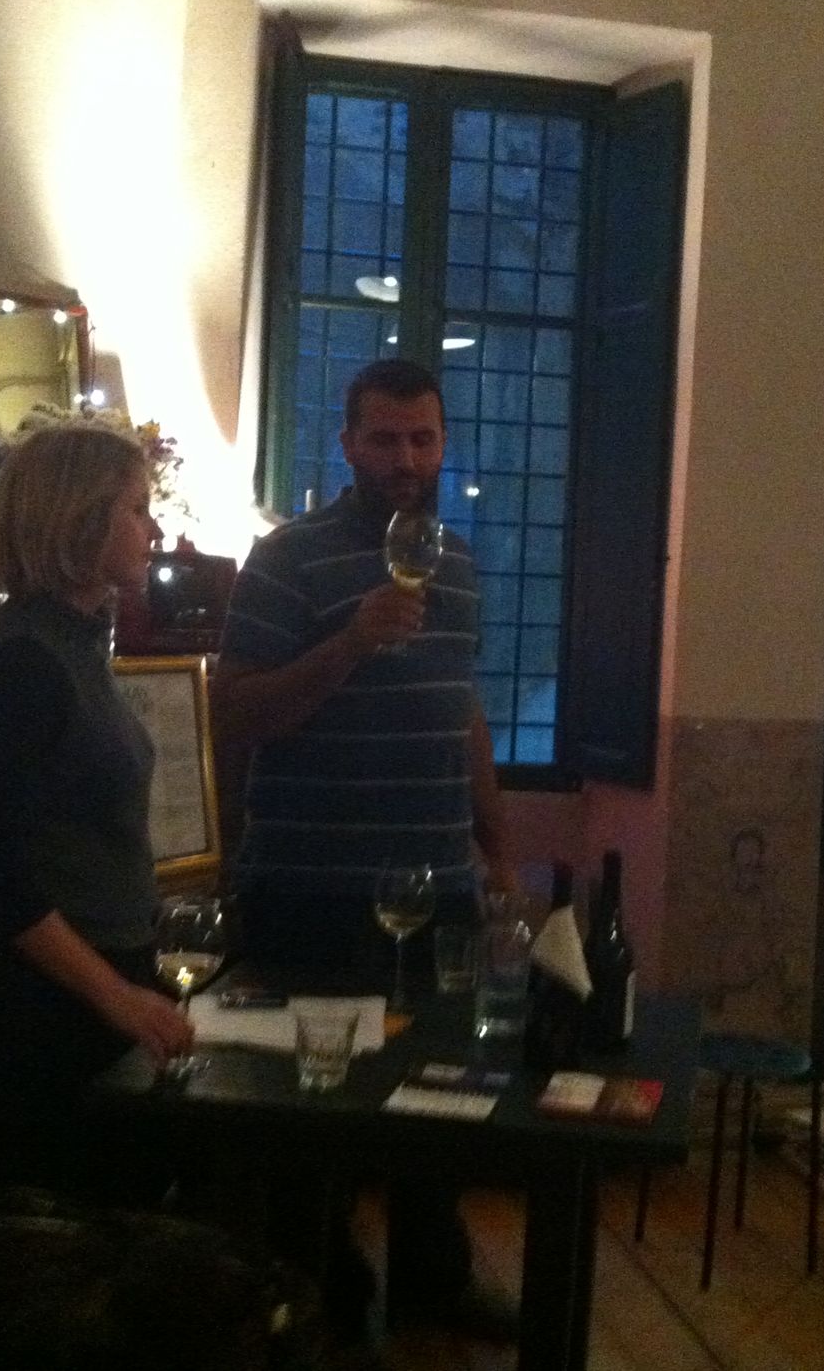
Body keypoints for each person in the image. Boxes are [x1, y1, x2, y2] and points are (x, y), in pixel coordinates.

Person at [212, 357, 513, 1338]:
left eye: (422, 437)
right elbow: (236, 714)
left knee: (441, 1096)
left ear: (442, 442)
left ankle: (434, 1279)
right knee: (310, 1113)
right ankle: (317, 1295)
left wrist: (497, 849)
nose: (406, 457)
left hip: (438, 885)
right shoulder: (286, 559)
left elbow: (461, 709)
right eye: (385, 438)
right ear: (347, 444)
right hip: (313, 889)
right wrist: (348, 642)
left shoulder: (457, 561)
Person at [0, 421, 194, 1190]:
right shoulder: (25, 661)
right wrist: (117, 996)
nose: (154, 530)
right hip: (42, 1004)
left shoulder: (75, 644)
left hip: (91, 984)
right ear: (80, 518)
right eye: (137, 509)